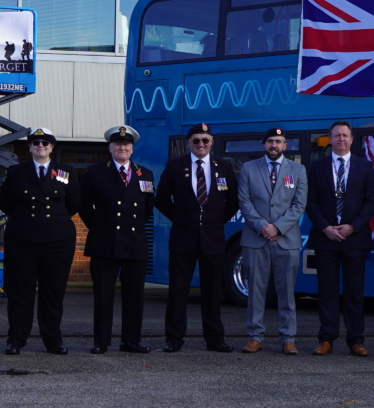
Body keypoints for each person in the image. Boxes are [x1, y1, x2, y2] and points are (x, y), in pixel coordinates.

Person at [155, 123, 240, 353]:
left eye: (205, 140)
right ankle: (174, 339)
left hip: (213, 238)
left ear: (211, 142)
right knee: (178, 290)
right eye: (196, 140)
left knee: (212, 292)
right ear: (188, 143)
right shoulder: (175, 166)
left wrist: (216, 221)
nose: (200, 144)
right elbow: (161, 199)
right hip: (183, 238)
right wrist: (181, 219)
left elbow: (233, 200)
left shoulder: (224, 167)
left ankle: (215, 339)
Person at [0, 128, 81, 355]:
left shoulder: (65, 171)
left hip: (57, 241)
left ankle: (53, 340)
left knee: (53, 293)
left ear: (52, 147)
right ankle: (16, 340)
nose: (40, 146)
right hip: (22, 241)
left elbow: (73, 204)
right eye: (36, 143)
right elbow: (6, 204)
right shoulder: (16, 172)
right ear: (30, 147)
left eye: (45, 143)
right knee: (20, 292)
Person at [306, 121, 374, 356]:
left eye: (345, 135)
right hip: (325, 238)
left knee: (354, 293)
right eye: (337, 135)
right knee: (326, 292)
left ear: (352, 139)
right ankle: (326, 339)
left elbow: (372, 201)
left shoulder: (365, 167)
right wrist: (325, 228)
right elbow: (311, 201)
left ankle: (356, 340)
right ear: (330, 139)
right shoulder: (316, 167)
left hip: (354, 239)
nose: (341, 139)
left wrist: (353, 227)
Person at [80, 125, 154, 354]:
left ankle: (130, 341)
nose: (122, 148)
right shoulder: (95, 172)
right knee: (103, 296)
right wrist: (101, 226)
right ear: (110, 148)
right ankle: (101, 341)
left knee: (134, 296)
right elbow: (83, 205)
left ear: (132, 149)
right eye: (118, 144)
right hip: (105, 242)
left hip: (134, 242)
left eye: (126, 144)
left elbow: (148, 209)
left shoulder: (145, 174)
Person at [236, 128, 308, 355]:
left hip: (286, 239)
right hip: (255, 239)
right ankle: (255, 337)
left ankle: (288, 338)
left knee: (287, 292)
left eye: (278, 141)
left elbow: (299, 204)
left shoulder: (298, 169)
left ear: (285, 145)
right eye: (270, 141)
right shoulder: (249, 168)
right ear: (264, 144)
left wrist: (277, 227)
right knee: (255, 291)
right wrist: (263, 227)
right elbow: (244, 201)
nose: (274, 145)